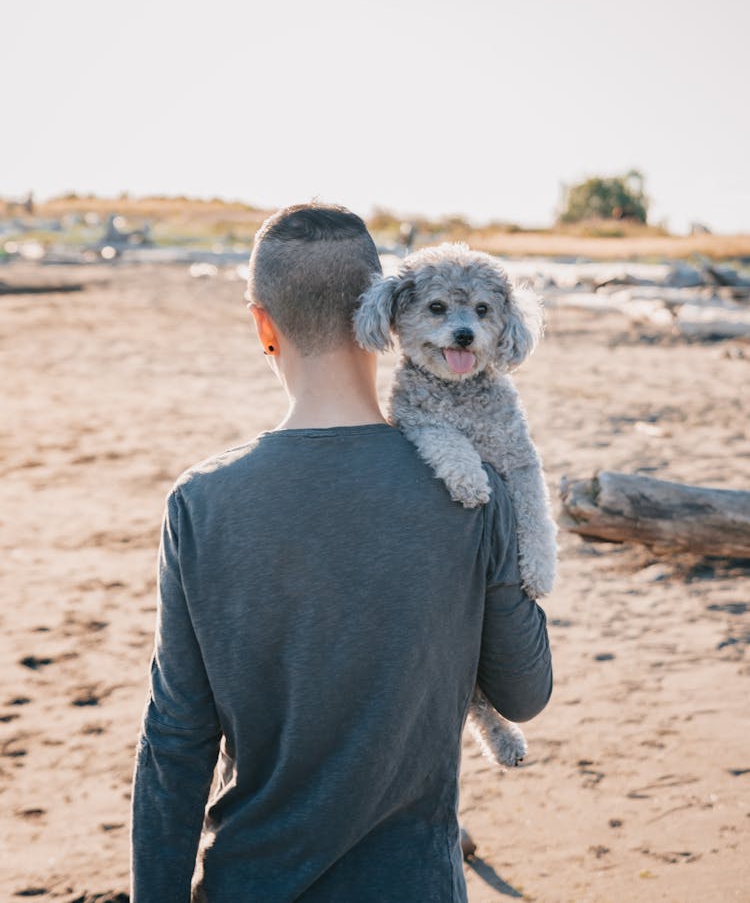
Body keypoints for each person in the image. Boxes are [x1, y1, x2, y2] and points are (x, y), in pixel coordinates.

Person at [130, 202, 552, 903]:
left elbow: (175, 740)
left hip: (248, 883)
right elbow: (524, 692)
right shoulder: (472, 490)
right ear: (385, 316)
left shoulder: (201, 503)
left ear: (263, 324)